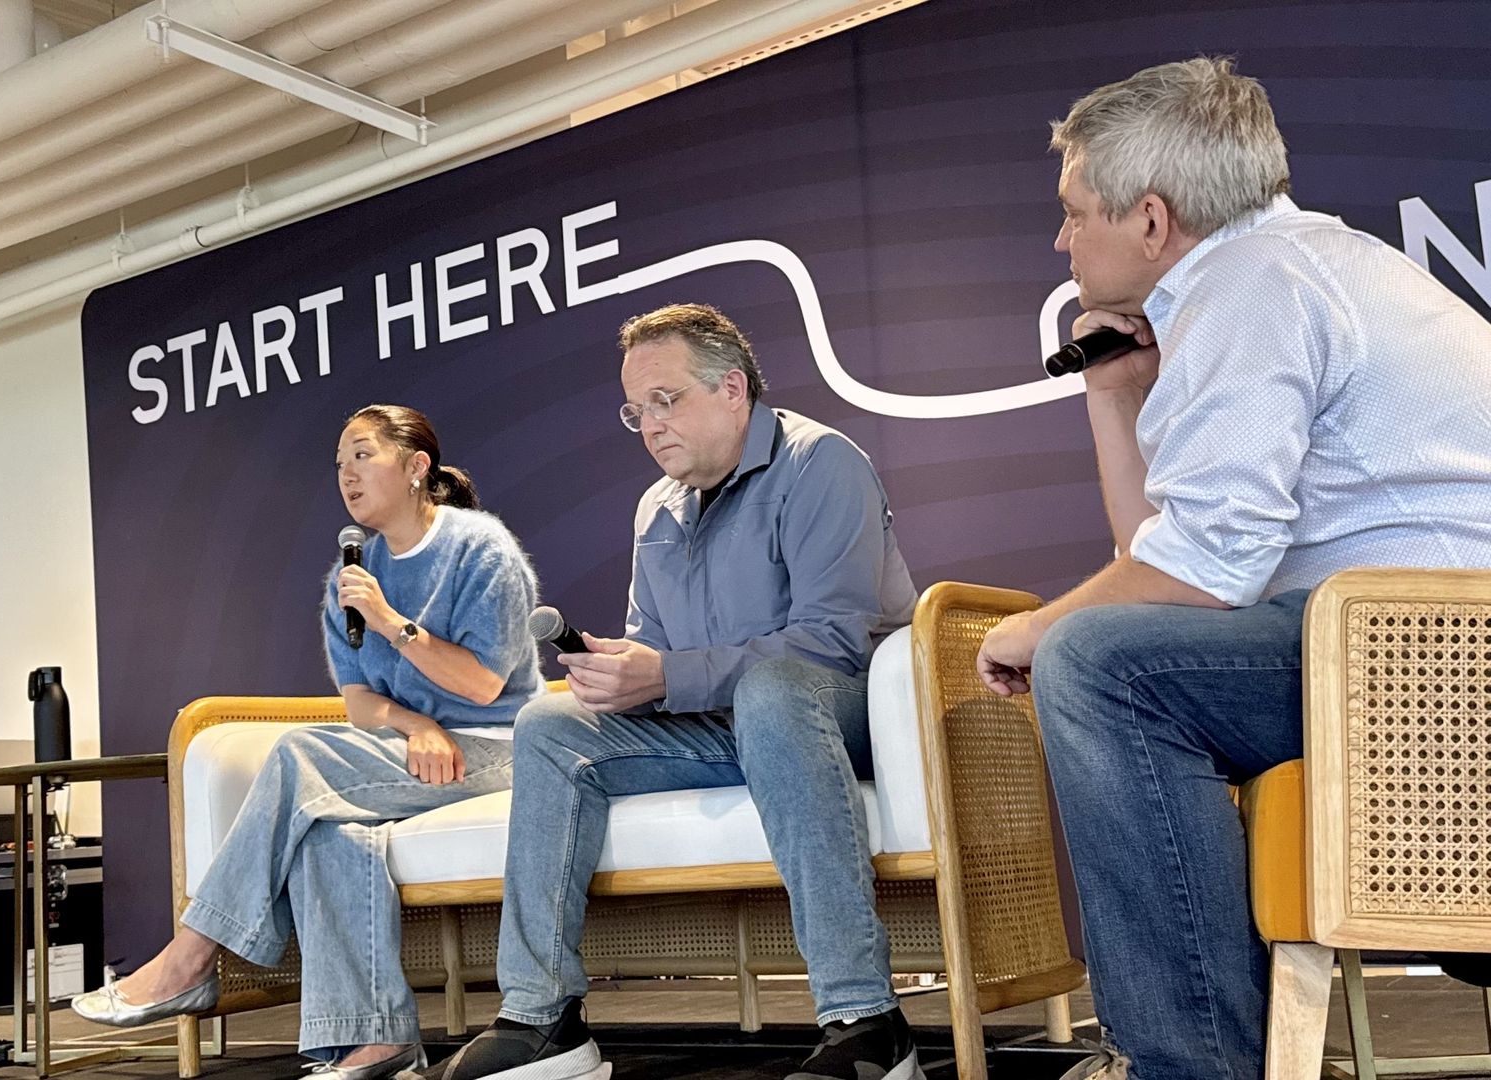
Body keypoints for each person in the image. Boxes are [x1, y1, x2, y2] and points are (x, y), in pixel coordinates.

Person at [974, 57, 1491, 1080]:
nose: (1061, 238)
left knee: (1097, 663)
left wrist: (1031, 631)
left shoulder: (1247, 286)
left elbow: (1200, 573)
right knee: (1114, 650)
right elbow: (1161, 557)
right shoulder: (1288, 268)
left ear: (1154, 222)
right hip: (1402, 641)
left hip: (1434, 661)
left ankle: (1187, 1062)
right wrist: (1114, 393)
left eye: (1075, 212)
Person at [431, 304, 920, 1080]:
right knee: (550, 726)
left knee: (773, 693)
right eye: (636, 410)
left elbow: (831, 642)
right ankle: (542, 1018)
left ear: (733, 390)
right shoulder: (655, 508)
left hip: (837, 711)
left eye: (667, 401)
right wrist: (622, 673)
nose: (650, 426)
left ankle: (867, 1020)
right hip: (724, 719)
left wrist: (667, 673)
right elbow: (655, 646)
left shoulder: (820, 463)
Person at [74, 404, 543, 1080]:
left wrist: (390, 622)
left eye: (362, 456)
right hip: (415, 754)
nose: (347, 475)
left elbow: (482, 683)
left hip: (503, 747)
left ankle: (189, 958)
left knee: (298, 753)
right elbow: (358, 703)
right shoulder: (346, 580)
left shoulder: (479, 549)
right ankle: (378, 1044)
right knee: (330, 831)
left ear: (416, 468)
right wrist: (416, 723)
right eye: (339, 463)